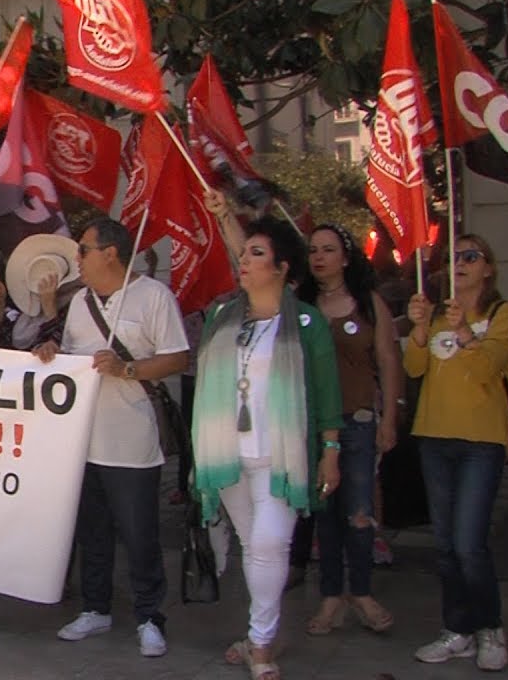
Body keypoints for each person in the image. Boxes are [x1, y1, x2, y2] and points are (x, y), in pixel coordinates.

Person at [192, 216, 343, 680]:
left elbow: (325, 389)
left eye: (257, 255)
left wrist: (330, 449)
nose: (245, 262)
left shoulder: (304, 322)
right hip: (227, 455)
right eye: (244, 254)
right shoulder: (221, 316)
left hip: (281, 455)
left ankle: (260, 645)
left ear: (281, 267)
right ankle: (259, 633)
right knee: (250, 544)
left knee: (269, 544)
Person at [34, 219, 189, 658]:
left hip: (134, 440)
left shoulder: (154, 296)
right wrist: (51, 356)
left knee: (140, 533)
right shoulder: (80, 302)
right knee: (92, 531)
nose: (76, 258)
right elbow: (72, 360)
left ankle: (148, 615)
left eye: (83, 250)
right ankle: (95, 607)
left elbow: (177, 356)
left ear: (111, 253)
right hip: (85, 441)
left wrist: (127, 369)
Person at [407, 233, 508, 672]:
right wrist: (419, 327)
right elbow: (416, 368)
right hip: (435, 437)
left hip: (481, 440)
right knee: (444, 544)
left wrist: (463, 332)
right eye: (452, 256)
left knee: (469, 543)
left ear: (488, 267)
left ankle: (489, 626)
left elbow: (491, 367)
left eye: (470, 256)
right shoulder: (437, 314)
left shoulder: (502, 314)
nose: (459, 263)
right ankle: (458, 630)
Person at [297, 224, 401, 635]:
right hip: (314, 427)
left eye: (328, 249)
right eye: (313, 250)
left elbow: (389, 362)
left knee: (359, 513)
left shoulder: (368, 304)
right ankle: (329, 597)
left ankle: (361, 591)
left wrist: (389, 417)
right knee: (325, 513)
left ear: (345, 256)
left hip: (357, 422)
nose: (319, 257)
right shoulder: (300, 306)